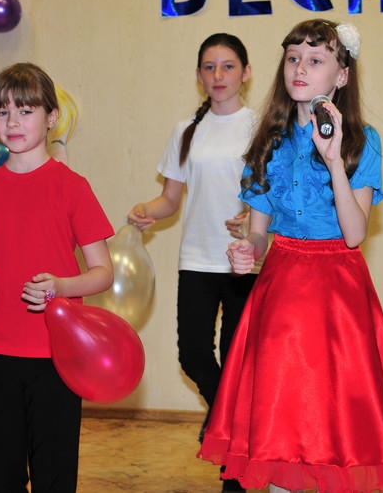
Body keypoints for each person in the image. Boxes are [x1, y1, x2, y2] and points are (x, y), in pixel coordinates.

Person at [197, 19, 383, 493]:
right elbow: (259, 232)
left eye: (316, 60)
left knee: (337, 421)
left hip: (338, 295)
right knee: (281, 420)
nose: (300, 68)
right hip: (281, 290)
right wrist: (247, 248)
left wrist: (333, 159)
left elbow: (354, 234)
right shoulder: (269, 141)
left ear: (341, 75)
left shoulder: (362, 140)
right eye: (293, 58)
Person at [0, 62, 114, 492]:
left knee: (54, 475)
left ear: (51, 117)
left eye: (25, 110)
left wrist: (61, 286)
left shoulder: (73, 187)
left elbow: (102, 273)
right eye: (3, 111)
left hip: (58, 355)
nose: (13, 122)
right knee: (1, 474)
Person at [128, 33, 259, 493]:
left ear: (246, 73)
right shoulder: (187, 130)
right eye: (209, 67)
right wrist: (145, 209)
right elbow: (170, 199)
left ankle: (233, 474)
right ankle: (231, 422)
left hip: (246, 264)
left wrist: (253, 219)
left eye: (228, 66)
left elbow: (278, 197)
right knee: (194, 355)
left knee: (238, 363)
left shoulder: (263, 127)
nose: (218, 75)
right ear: (199, 75)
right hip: (198, 259)